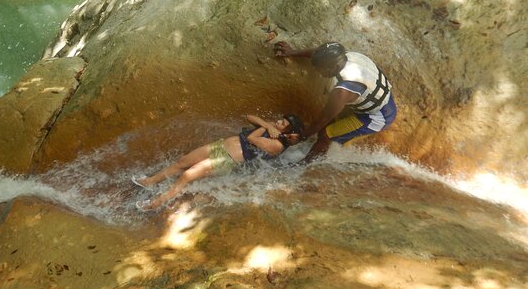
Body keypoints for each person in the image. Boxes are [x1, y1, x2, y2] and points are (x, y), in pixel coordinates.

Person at [133, 114, 305, 210]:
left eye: (283, 123)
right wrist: (268, 125)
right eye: (281, 119)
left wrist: (267, 127)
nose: (278, 121)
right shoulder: (272, 129)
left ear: (288, 131)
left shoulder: (276, 145)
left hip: (227, 159)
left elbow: (252, 138)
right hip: (220, 146)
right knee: (182, 162)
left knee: (187, 175)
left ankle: (155, 204)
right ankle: (149, 181)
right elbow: (249, 116)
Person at [274, 41, 396, 163]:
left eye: (321, 69)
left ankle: (306, 165)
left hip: (376, 117)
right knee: (328, 129)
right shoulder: (346, 56)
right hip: (380, 100)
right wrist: (293, 52)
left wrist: (301, 137)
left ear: (334, 67)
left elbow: (322, 119)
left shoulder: (342, 91)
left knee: (326, 134)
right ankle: (326, 147)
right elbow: (319, 54)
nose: (317, 71)